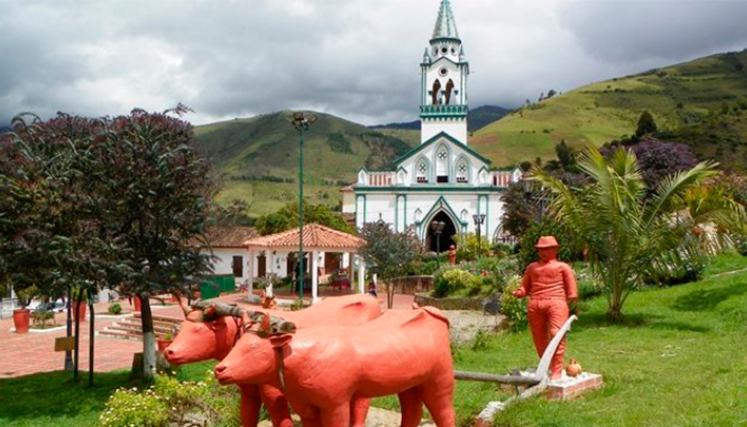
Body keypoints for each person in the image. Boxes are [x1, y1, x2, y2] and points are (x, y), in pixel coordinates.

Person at [512, 236, 578, 380]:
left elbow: (572, 291)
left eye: (547, 249)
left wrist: (567, 300)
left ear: (556, 250)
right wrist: (520, 292)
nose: (543, 252)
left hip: (556, 303)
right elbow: (525, 286)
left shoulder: (563, 267)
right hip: (535, 304)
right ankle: (546, 366)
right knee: (539, 338)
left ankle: (556, 370)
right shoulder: (532, 268)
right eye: (541, 249)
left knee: (557, 334)